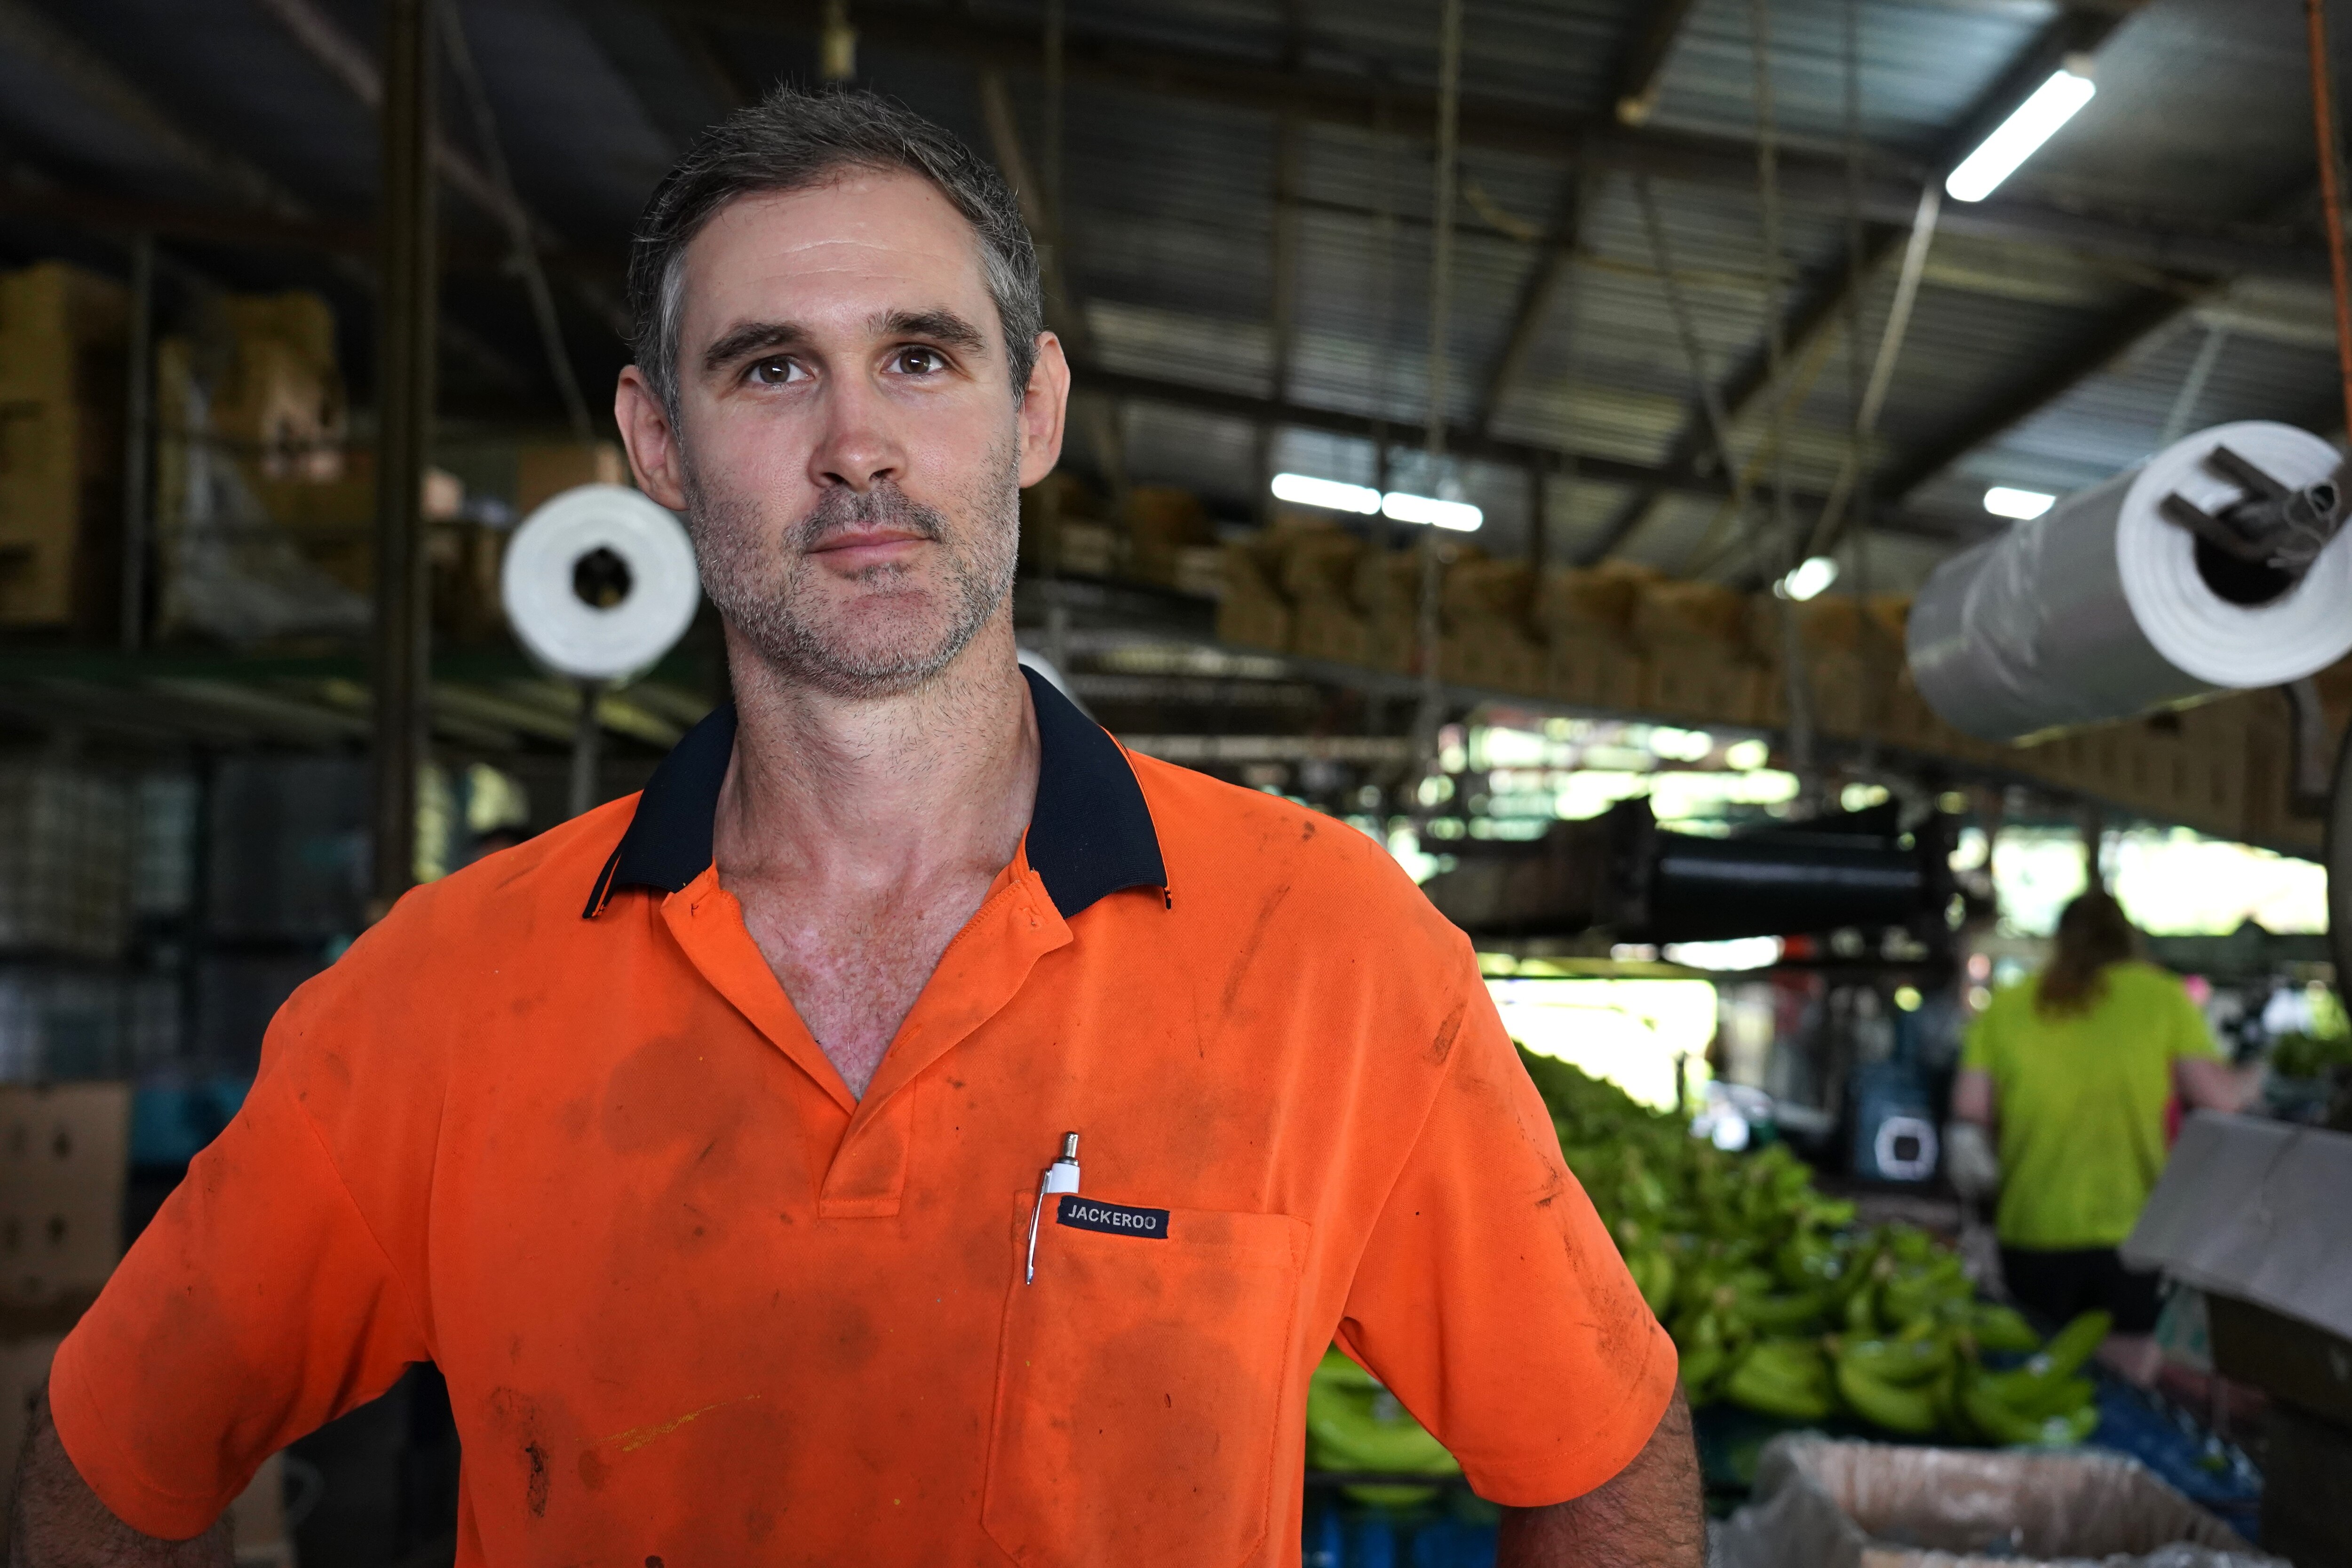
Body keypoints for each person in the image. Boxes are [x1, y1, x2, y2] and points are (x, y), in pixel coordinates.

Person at [12, 88, 1700, 1566]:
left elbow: (1598, 1453)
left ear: (1030, 413)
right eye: (768, 371)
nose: (854, 446)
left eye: (917, 354)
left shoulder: (1327, 950)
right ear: (658, 446)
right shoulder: (441, 999)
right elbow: (111, 1466)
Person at [1948, 890, 2252, 1381]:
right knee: (2123, 1396)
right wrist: (2257, 1075)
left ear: (2059, 941)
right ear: (2124, 937)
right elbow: (2220, 1099)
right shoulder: (2160, 998)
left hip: (2031, 1229)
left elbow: (1968, 1107)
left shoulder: (2009, 1006)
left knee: (2034, 1384)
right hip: (2134, 1236)